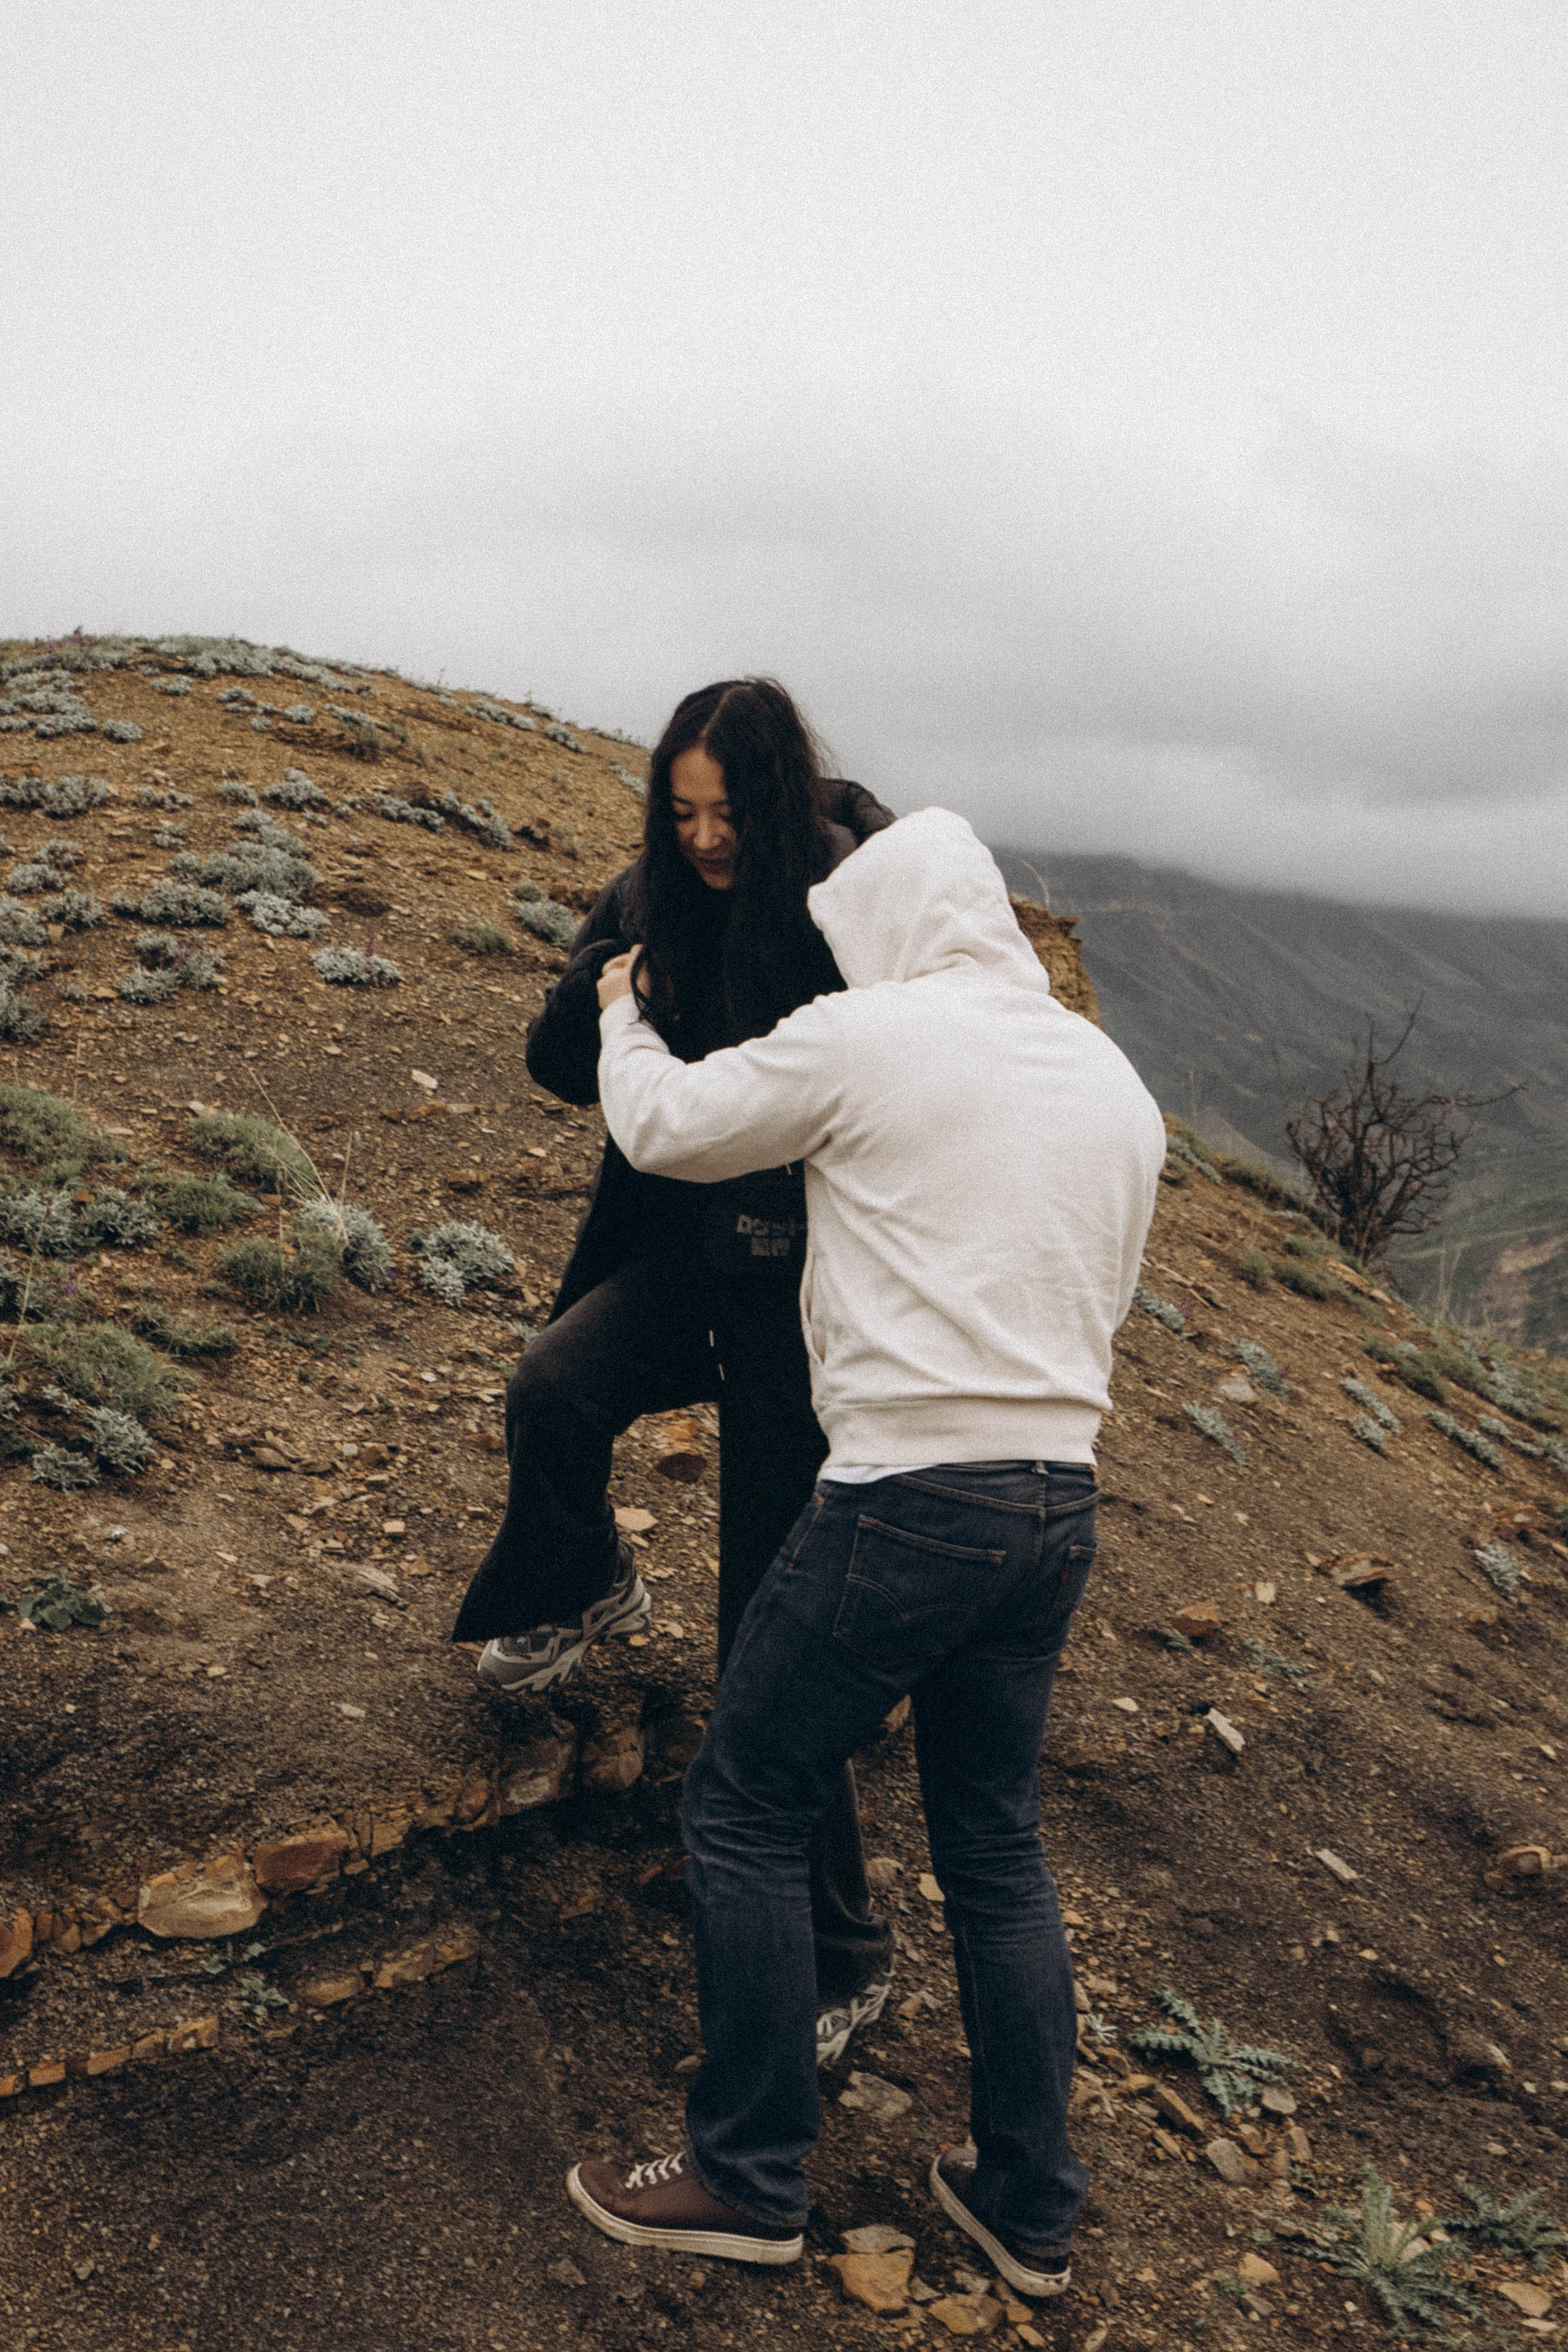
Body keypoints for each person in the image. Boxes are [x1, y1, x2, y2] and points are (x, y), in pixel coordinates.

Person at [565, 807, 1165, 2299]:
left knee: (747, 1800)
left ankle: (748, 2174)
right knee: (993, 1849)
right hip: (1056, 1501)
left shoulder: (870, 1034)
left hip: (907, 1494)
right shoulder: (1106, 1079)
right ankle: (1028, 2202)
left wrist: (622, 1014)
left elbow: (666, 1127)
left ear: (884, 926)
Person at [451, 677, 895, 2059]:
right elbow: (555, 1068)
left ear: (780, 798)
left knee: (762, 1629)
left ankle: (842, 1955)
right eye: (681, 811)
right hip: (682, 1254)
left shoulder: (846, 899)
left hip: (810, 1300)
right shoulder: (645, 890)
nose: (704, 840)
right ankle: (583, 1578)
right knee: (552, 1388)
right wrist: (601, 982)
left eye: (726, 814)